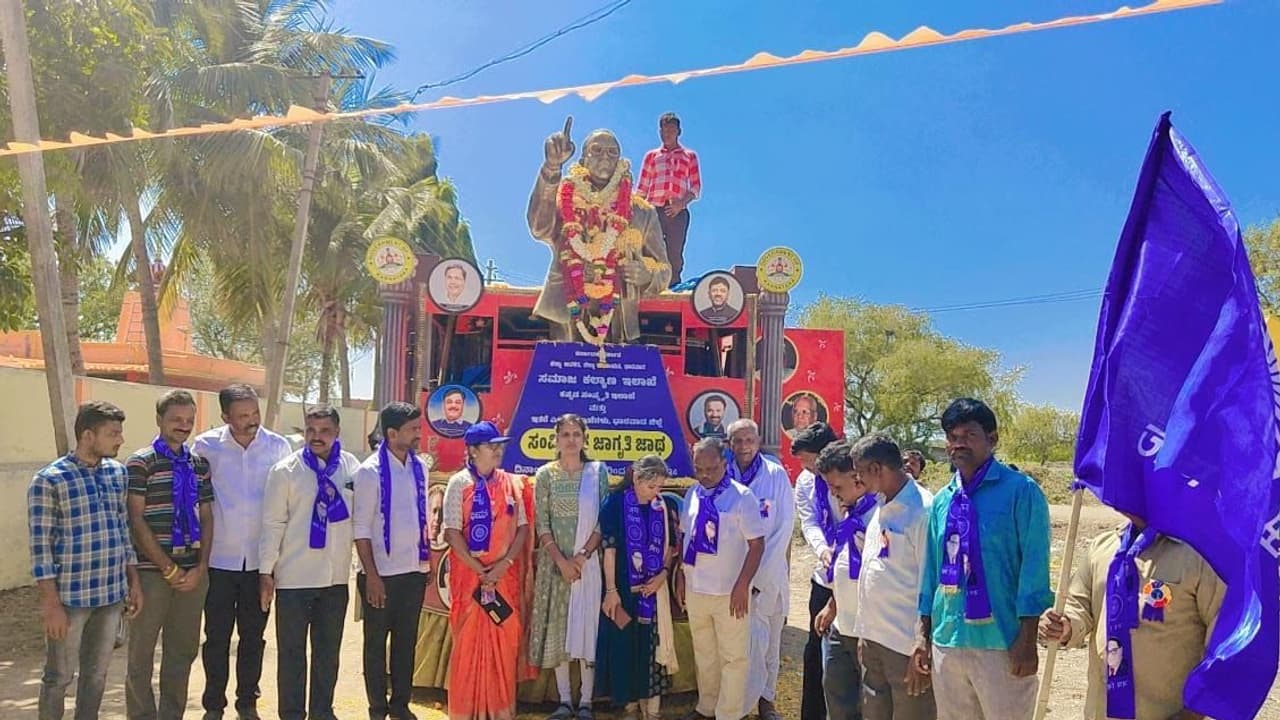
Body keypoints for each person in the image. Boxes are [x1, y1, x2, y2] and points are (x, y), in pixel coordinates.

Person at [914, 398, 1053, 720]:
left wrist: (1027, 639)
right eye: (952, 437)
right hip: (948, 639)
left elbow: (1034, 568)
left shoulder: (1021, 492)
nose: (958, 443)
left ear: (992, 439)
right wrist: (922, 634)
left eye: (969, 435)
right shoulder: (942, 500)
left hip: (1002, 642)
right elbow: (930, 572)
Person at [1038, 513, 1225, 719]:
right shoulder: (1102, 547)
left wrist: (1194, 711)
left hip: (1166, 712)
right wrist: (1065, 625)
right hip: (1102, 710)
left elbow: (1223, 638)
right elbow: (1079, 604)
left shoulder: (1198, 556)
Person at [29, 401, 144, 720]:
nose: (120, 440)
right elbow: (41, 549)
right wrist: (51, 605)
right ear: (88, 435)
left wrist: (133, 582)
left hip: (110, 596)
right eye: (113, 434)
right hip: (70, 600)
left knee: (96, 676)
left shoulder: (117, 473)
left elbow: (123, 529)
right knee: (58, 677)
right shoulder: (50, 480)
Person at [193, 384, 292, 720]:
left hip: (260, 565)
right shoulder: (205, 448)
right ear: (225, 417)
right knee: (216, 637)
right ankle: (213, 705)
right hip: (218, 562)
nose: (252, 421)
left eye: (254, 413)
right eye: (242, 416)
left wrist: (273, 564)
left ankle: (247, 703)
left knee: (253, 637)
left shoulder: (278, 447)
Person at [527, 117, 672, 343]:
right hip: (567, 313)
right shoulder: (565, 199)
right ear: (583, 159)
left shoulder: (642, 212)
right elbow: (539, 228)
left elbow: (664, 269)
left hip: (619, 317)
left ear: (620, 161)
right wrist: (552, 168)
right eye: (597, 150)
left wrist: (647, 275)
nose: (605, 156)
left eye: (612, 152)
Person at [258, 404, 360, 720]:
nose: (317, 437)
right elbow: (273, 524)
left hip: (335, 579)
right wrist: (265, 572)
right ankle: (291, 714)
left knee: (328, 653)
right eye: (311, 430)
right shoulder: (285, 471)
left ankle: (322, 712)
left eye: (325, 431)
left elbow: (362, 518)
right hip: (294, 577)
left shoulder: (351, 467)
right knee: (291, 654)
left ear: (337, 432)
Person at [126, 389, 215, 720]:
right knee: (141, 653)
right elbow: (136, 519)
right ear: (159, 420)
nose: (184, 426)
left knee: (182, 651)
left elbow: (207, 516)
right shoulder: (141, 463)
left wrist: (201, 568)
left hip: (193, 574)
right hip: (152, 573)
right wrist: (168, 568)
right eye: (176, 419)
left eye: (189, 420)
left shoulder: (199, 464)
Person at [442, 421, 530, 720]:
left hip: (503, 578)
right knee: (468, 646)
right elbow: (452, 532)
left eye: (499, 445)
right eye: (491, 446)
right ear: (473, 451)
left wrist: (502, 565)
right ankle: (466, 712)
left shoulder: (512, 484)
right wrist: (480, 570)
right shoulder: (459, 484)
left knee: (504, 644)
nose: (497, 451)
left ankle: (500, 711)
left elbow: (522, 529)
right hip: (471, 579)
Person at [675, 437, 765, 720]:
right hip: (696, 588)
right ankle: (707, 707)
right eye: (699, 469)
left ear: (724, 463)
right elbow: (684, 538)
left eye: (711, 469)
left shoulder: (742, 497)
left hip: (730, 592)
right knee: (704, 653)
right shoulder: (693, 494)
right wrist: (681, 577)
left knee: (733, 657)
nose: (704, 475)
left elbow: (757, 545)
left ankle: (728, 713)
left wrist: (743, 585)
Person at [847, 434, 936, 720]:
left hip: (905, 646)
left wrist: (922, 644)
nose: (858, 480)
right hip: (874, 640)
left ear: (876, 469)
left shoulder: (923, 510)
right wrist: (864, 632)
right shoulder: (881, 504)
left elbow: (930, 582)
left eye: (860, 473)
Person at [528, 414, 610, 720]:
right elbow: (542, 523)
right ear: (556, 439)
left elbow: (603, 521)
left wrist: (582, 556)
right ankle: (564, 701)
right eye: (565, 434)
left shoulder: (597, 473)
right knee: (560, 632)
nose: (571, 439)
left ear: (585, 439)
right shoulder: (545, 475)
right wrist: (562, 561)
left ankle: (586, 701)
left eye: (577, 434)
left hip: (587, 566)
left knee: (587, 629)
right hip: (556, 567)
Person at [354, 402, 432, 720]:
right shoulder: (369, 471)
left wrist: (426, 562)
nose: (419, 434)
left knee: (405, 644)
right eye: (413, 429)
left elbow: (422, 517)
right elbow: (361, 529)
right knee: (375, 645)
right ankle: (377, 708)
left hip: (413, 572)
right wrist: (372, 576)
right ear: (392, 433)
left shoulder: (420, 467)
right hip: (381, 575)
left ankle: (400, 705)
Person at [595, 456, 681, 720]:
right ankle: (630, 707)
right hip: (623, 591)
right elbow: (609, 550)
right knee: (625, 648)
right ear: (635, 478)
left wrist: (662, 575)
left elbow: (670, 547)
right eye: (650, 486)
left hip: (654, 593)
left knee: (652, 648)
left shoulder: (663, 506)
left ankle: (652, 711)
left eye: (659, 487)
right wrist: (611, 591)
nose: (655, 492)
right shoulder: (615, 503)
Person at [725, 420, 795, 720]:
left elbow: (783, 528)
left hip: (767, 575)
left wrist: (756, 578)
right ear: (729, 444)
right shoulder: (723, 474)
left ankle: (766, 701)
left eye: (749, 440)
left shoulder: (775, 474)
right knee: (735, 645)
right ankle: (734, 705)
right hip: (731, 577)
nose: (744, 446)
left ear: (758, 441)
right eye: (738, 441)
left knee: (769, 642)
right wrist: (739, 579)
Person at [808, 439, 878, 720]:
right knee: (836, 695)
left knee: (868, 705)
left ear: (857, 477)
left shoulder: (880, 515)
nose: (833, 494)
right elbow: (848, 566)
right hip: (842, 624)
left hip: (869, 630)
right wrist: (832, 606)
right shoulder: (852, 512)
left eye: (837, 486)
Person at [790, 421, 842, 720]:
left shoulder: (853, 475)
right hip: (824, 577)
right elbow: (809, 521)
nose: (807, 469)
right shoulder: (806, 481)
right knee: (814, 652)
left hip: (853, 578)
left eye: (810, 461)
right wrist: (823, 549)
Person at [637, 112, 702, 285]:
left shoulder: (689, 156)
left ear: (678, 132)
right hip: (654, 211)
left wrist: (681, 204)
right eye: (665, 130)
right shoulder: (652, 156)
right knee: (650, 249)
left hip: (677, 212)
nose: (668, 134)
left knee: (674, 254)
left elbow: (695, 187)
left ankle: (673, 287)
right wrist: (638, 212)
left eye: (671, 130)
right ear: (660, 132)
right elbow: (642, 188)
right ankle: (649, 285)